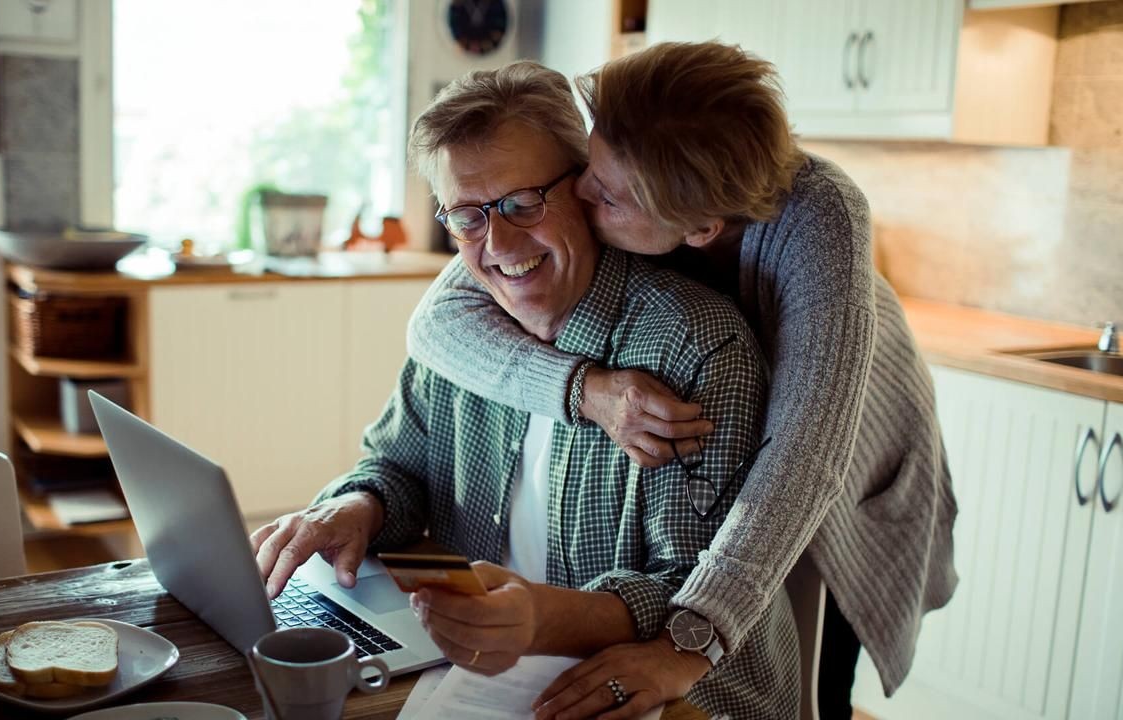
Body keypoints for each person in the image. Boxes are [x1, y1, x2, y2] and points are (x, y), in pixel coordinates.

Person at [405, 42, 959, 720]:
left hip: (852, 467)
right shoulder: (621, 193)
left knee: (819, 668)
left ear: (698, 229)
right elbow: (434, 322)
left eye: (602, 193)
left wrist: (684, 649)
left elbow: (805, 462)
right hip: (780, 450)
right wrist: (590, 390)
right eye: (587, 166)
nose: (577, 192)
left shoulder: (818, 221)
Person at [251, 61, 799, 719]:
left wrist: (543, 619)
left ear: (589, 191)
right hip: (485, 678)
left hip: (675, 695)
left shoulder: (693, 348)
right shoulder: (462, 331)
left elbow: (697, 593)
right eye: (468, 216)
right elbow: (396, 465)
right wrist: (357, 508)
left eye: (522, 203)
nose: (498, 243)